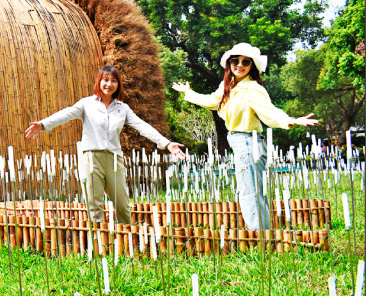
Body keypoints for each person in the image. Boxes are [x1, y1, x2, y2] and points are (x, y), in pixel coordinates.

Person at [172, 42, 318, 230]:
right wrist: (188, 93)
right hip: (241, 142)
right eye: (235, 61)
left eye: (245, 62)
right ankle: (263, 234)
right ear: (229, 64)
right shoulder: (228, 86)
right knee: (253, 191)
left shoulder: (253, 89)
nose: (239, 65)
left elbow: (270, 112)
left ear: (252, 66)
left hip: (249, 143)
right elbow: (211, 101)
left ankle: (260, 237)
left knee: (250, 192)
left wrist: (290, 120)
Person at [25, 65, 186, 225]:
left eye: (114, 81)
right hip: (91, 157)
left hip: (114, 160)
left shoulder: (123, 108)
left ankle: (127, 241)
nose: (109, 84)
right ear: (99, 82)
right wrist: (43, 124)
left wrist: (167, 143)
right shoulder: (86, 104)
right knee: (94, 205)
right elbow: (65, 114)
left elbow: (142, 126)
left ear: (118, 84)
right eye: (105, 80)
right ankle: (100, 245)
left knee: (122, 204)